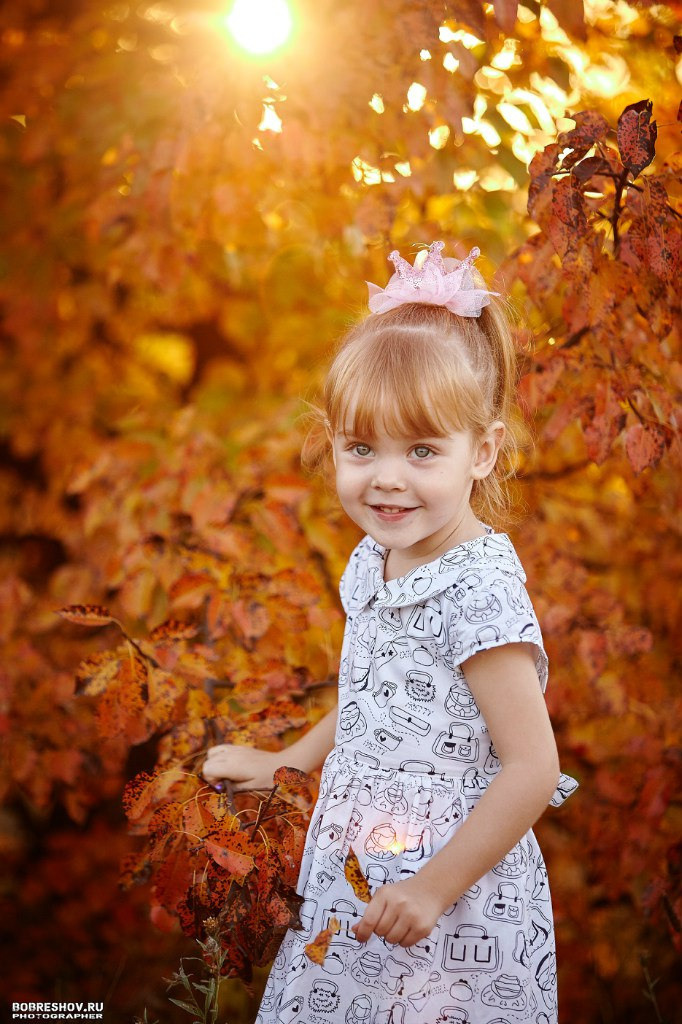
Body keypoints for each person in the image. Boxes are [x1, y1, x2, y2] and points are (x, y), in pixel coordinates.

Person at [202, 240, 578, 1024]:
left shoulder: (477, 591)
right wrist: (287, 763)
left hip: (449, 894)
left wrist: (435, 887)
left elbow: (532, 767)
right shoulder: (377, 559)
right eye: (361, 448)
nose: (387, 478)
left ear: (483, 452)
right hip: (360, 865)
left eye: (423, 451)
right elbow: (375, 699)